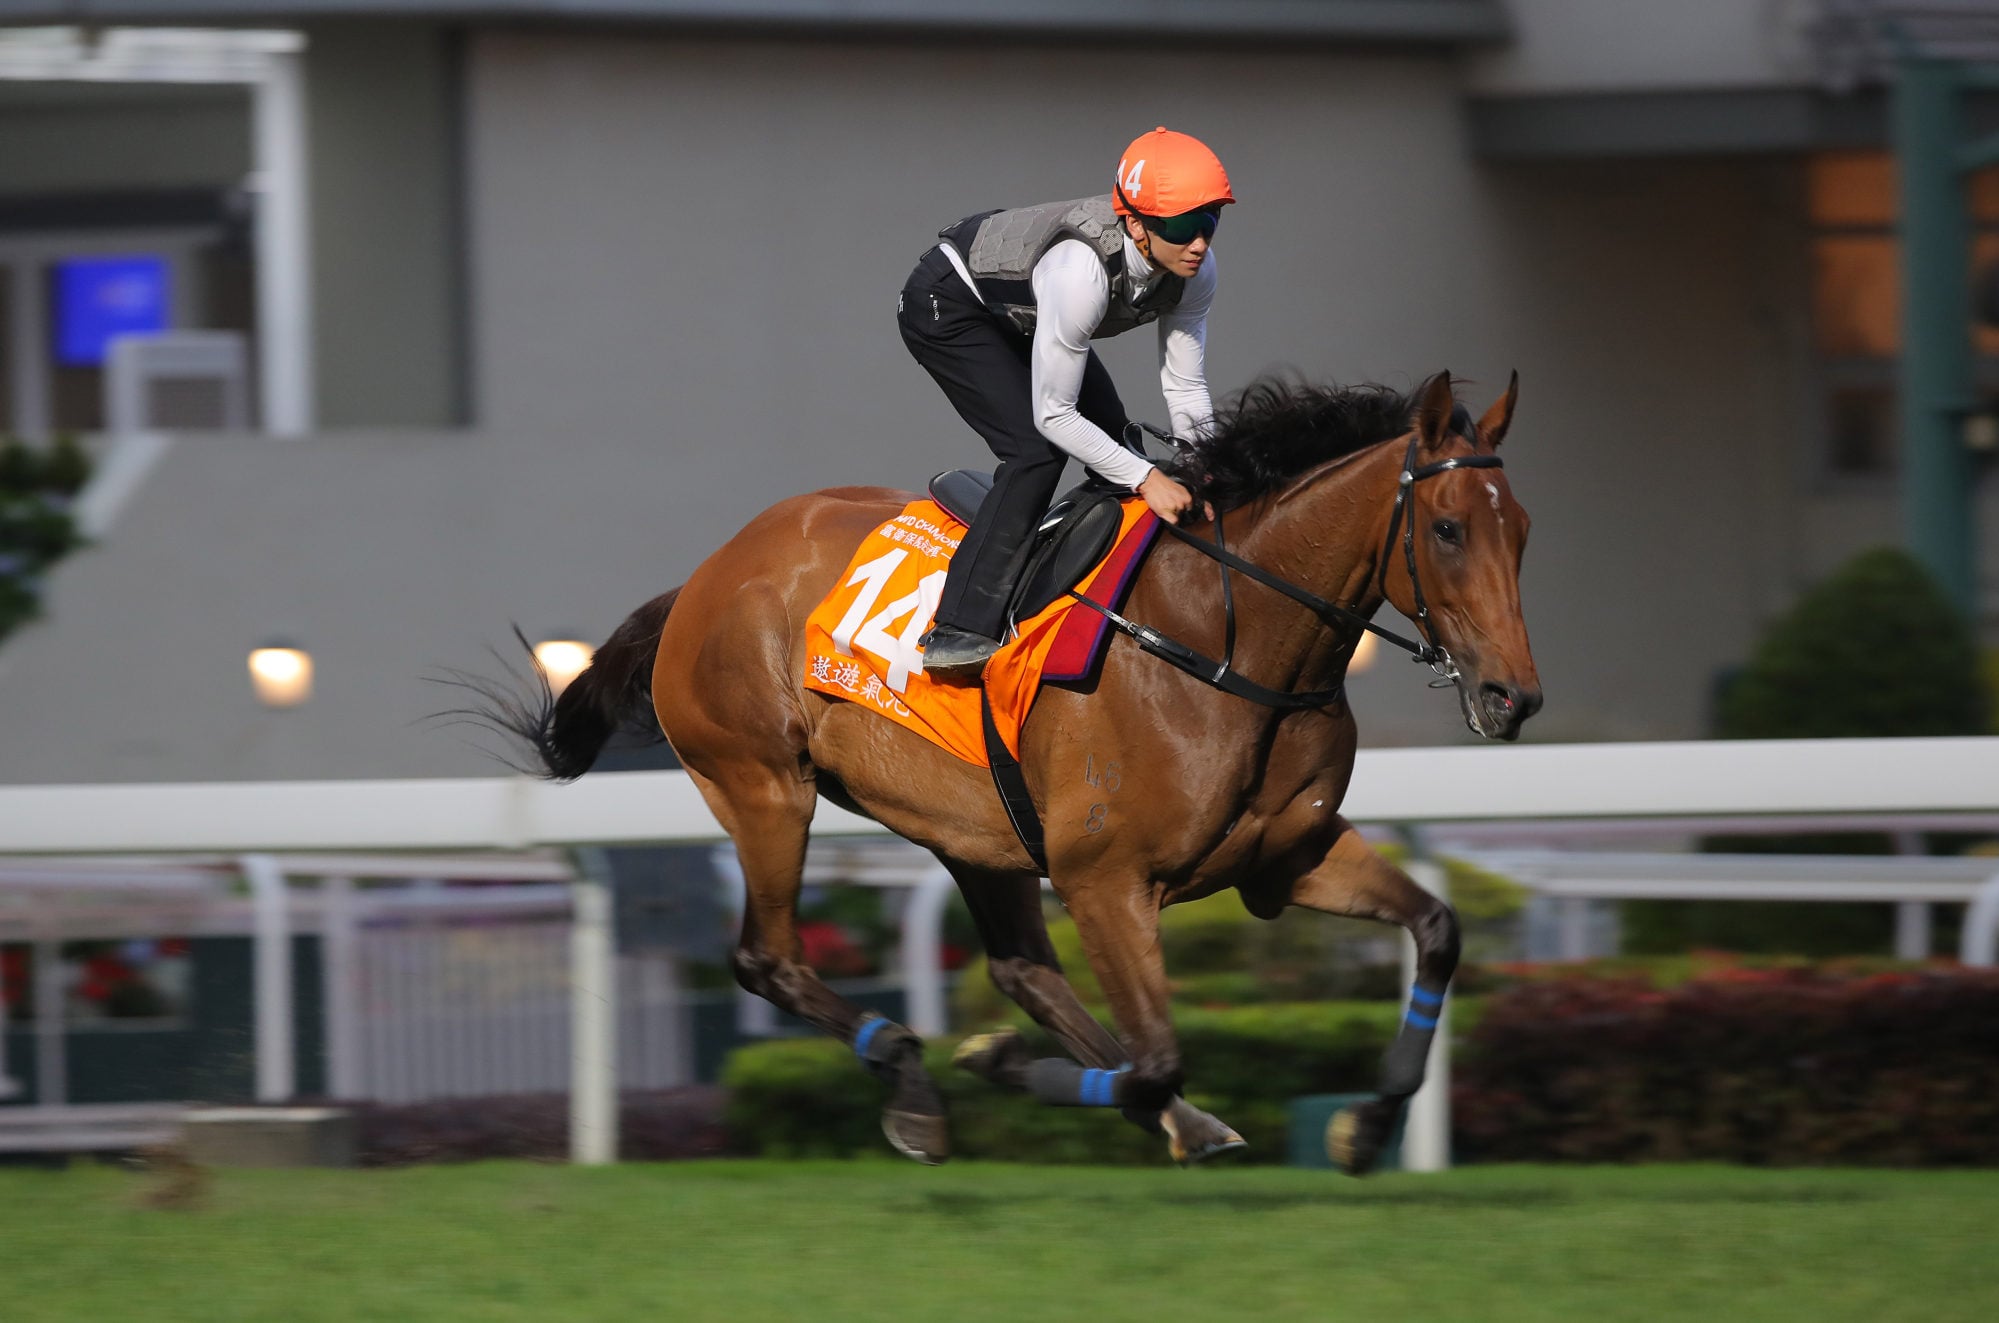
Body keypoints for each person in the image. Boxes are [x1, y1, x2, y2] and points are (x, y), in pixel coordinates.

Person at [898, 126, 1232, 679]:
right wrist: (1150, 481)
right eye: (1181, 227)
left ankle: (1063, 558)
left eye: (1210, 223)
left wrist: (1208, 470)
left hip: (1024, 309)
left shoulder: (1197, 272)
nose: (1198, 243)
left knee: (1118, 442)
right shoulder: (1081, 273)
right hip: (949, 303)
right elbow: (1053, 415)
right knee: (1037, 451)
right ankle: (960, 625)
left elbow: (1186, 388)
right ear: (1135, 224)